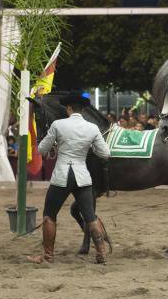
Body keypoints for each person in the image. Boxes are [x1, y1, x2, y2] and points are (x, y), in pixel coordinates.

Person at [28, 92, 111, 265]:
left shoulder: (58, 125)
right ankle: (101, 253)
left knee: (49, 215)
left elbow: (42, 149)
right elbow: (105, 153)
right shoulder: (92, 128)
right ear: (82, 110)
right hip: (82, 176)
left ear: (69, 108)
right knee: (90, 217)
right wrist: (87, 149)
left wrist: (57, 145)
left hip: (62, 176)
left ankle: (48, 256)